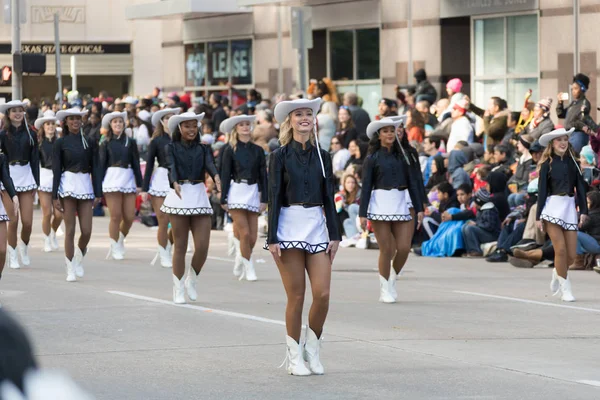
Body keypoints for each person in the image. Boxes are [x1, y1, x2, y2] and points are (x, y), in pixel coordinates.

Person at [266, 97, 340, 376]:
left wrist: (335, 235)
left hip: (317, 226)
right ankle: (294, 355)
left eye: (308, 113)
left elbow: (329, 199)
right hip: (287, 226)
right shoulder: (278, 156)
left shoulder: (324, 156)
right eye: (299, 114)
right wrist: (272, 237)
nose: (305, 118)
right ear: (290, 121)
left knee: (322, 294)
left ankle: (313, 346)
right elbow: (273, 198)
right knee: (296, 296)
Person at [359, 118, 424, 304]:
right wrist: (362, 213)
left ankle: (392, 278)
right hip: (380, 204)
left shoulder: (403, 155)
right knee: (387, 248)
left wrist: (419, 208)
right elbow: (366, 187)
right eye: (386, 131)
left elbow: (413, 183)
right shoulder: (372, 158)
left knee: (403, 248)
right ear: (378, 135)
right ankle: (384, 287)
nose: (390, 134)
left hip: (400, 202)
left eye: (392, 131)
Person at [160, 112, 220, 304]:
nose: (192, 130)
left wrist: (217, 177)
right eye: (187, 126)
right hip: (179, 196)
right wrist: (174, 182)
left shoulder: (204, 148)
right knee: (181, 245)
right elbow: (171, 166)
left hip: (199, 196)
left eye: (194, 126)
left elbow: (210, 164)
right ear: (179, 128)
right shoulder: (171, 147)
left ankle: (192, 279)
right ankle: (177, 287)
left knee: (202, 246)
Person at [536, 127, 588, 302]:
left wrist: (584, 211)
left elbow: (580, 189)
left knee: (571, 255)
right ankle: (566, 289)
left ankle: (557, 272)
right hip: (551, 208)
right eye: (559, 140)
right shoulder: (546, 164)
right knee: (561, 250)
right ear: (552, 143)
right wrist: (538, 216)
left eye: (565, 139)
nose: (563, 143)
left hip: (569, 208)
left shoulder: (573, 161)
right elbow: (542, 191)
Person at [53, 108, 102, 282]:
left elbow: (96, 167)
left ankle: (79, 256)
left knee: (87, 231)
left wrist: (98, 192)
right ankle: (70, 266)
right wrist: (54, 196)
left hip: (85, 185)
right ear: (65, 122)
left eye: (78, 119)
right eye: (72, 119)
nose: (75, 121)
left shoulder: (89, 141)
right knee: (70, 230)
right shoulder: (60, 143)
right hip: (67, 185)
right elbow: (57, 170)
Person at [219, 115, 267, 281]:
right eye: (242, 125)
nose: (245, 127)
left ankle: (241, 257)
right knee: (245, 234)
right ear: (236, 128)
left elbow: (263, 176)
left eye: (248, 124)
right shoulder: (229, 150)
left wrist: (265, 199)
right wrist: (223, 197)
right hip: (236, 191)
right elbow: (224, 175)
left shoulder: (258, 150)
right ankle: (249, 267)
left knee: (253, 237)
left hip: (253, 191)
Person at [0, 100, 39, 270]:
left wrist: (36, 183)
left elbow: (35, 159)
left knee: (28, 222)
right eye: (13, 111)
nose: (17, 113)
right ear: (8, 114)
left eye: (20, 111)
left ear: (24, 113)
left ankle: (24, 245)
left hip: (26, 176)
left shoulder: (31, 133)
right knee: (13, 219)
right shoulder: (2, 134)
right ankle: (13, 252)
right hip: (8, 176)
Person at [99, 111, 143, 260]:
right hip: (112, 178)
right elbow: (101, 165)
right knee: (116, 215)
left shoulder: (130, 142)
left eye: (120, 122)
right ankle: (114, 245)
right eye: (115, 122)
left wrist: (140, 183)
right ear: (110, 125)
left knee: (130, 216)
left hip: (128, 177)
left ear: (124, 124)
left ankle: (120, 239)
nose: (118, 124)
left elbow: (136, 163)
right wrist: (98, 185)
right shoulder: (105, 142)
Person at [141, 107, 181, 268]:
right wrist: (144, 188)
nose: (169, 121)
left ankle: (167, 245)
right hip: (161, 179)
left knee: (177, 221)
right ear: (161, 122)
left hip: (178, 180)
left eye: (172, 118)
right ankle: (163, 252)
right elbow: (150, 164)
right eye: (166, 118)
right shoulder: (156, 141)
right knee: (163, 220)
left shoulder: (182, 138)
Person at [34, 110, 63, 253]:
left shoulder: (60, 142)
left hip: (58, 178)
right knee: (47, 213)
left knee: (59, 215)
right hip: (44, 178)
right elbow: (36, 163)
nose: (50, 126)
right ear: (43, 127)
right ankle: (46, 239)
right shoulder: (39, 144)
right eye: (47, 124)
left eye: (52, 124)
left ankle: (52, 232)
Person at [557, 73, 592, 152]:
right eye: (572, 89)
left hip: (578, 135)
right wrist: (560, 103)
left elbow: (580, 121)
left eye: (575, 88)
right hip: (569, 134)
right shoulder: (573, 103)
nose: (573, 91)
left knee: (574, 158)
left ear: (583, 89)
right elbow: (560, 114)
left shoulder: (585, 104)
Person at [461, 189, 501, 257]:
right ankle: (470, 251)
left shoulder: (489, 210)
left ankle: (476, 251)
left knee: (469, 229)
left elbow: (489, 226)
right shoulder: (481, 210)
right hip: (486, 232)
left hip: (493, 235)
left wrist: (476, 224)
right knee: (464, 226)